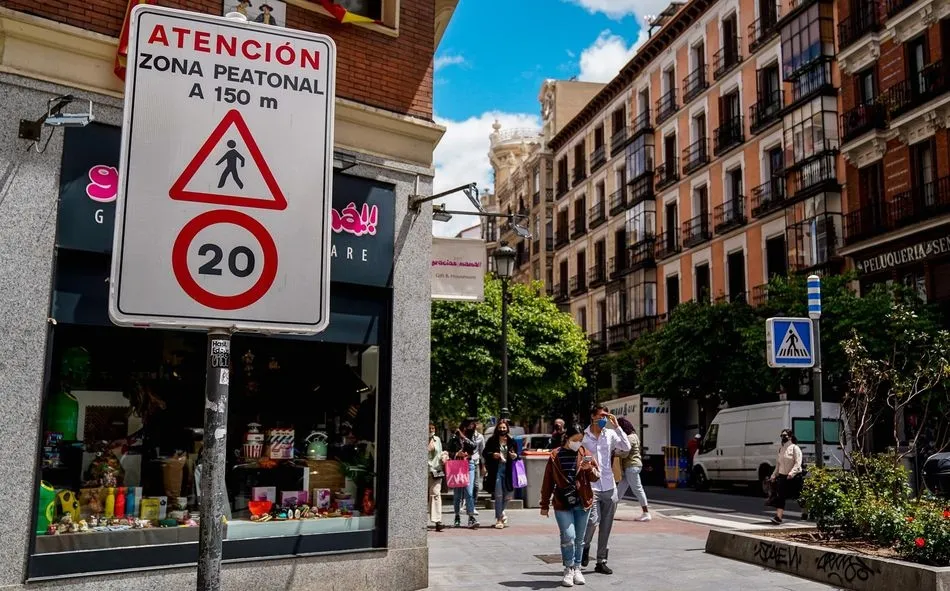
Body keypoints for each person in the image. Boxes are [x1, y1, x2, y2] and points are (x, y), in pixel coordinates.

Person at [540, 423, 600, 588]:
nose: (578, 443)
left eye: (581, 440)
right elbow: (548, 481)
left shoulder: (585, 453)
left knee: (579, 539)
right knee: (568, 536)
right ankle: (568, 568)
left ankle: (577, 568)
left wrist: (589, 469)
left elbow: (596, 477)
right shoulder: (555, 455)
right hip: (562, 501)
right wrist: (544, 504)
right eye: (575, 439)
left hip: (583, 501)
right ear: (567, 438)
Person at [580, 404, 630, 574]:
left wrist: (617, 426)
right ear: (592, 417)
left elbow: (626, 447)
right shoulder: (584, 437)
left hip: (609, 485)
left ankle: (601, 560)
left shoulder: (610, 434)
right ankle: (585, 547)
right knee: (593, 521)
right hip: (592, 485)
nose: (603, 419)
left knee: (607, 525)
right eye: (600, 416)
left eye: (605, 416)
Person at [483, 420, 519, 529]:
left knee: (508, 495)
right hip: (497, 469)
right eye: (500, 428)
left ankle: (501, 512)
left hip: (508, 470)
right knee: (498, 494)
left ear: (507, 429)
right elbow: (485, 453)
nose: (502, 430)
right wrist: (493, 454)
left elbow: (517, 455)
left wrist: (515, 456)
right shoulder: (492, 440)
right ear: (497, 429)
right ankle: (498, 519)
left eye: (504, 428)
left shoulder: (512, 441)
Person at [615, 417, 651, 522]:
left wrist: (615, 453)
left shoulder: (630, 438)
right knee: (619, 490)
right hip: (631, 466)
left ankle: (646, 513)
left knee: (637, 489)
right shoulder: (634, 436)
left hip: (631, 466)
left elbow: (625, 453)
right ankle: (610, 511)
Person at [447, 419, 480, 528]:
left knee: (469, 492)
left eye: (473, 425)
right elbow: (448, 451)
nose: (472, 427)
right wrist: (457, 454)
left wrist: (463, 437)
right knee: (457, 494)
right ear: (465, 425)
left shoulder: (471, 436)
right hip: (457, 465)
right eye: (471, 424)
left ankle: (471, 517)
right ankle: (457, 516)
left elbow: (474, 446)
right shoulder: (454, 437)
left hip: (469, 464)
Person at [768, 428, 803, 525]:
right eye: (782, 436)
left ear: (790, 437)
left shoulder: (795, 448)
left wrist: (792, 473)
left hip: (794, 476)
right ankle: (778, 517)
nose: (783, 437)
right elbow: (778, 464)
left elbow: (798, 463)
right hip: (783, 477)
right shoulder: (781, 449)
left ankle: (805, 511)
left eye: (785, 436)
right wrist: (774, 475)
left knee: (798, 496)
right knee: (781, 497)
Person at [427, 422, 445, 532]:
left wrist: (444, 456)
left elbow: (440, 452)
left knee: (436, 494)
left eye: (433, 428)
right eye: (429, 428)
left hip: (436, 470)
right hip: (424, 470)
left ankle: (438, 521)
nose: (431, 430)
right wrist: (427, 449)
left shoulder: (437, 439)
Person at [472, 421, 487, 516]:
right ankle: (463, 504)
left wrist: (484, 466)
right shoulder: (465, 435)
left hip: (476, 462)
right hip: (465, 462)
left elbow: (482, 452)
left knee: (476, 485)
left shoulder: (480, 437)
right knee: (465, 485)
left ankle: (472, 505)